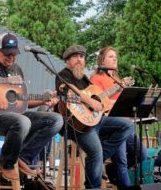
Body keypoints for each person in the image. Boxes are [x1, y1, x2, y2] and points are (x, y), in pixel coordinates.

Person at [0, 32, 64, 181]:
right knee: (22, 121)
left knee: (55, 120)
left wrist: (44, 100)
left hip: (14, 116)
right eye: (7, 53)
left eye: (14, 53)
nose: (11, 56)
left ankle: (22, 157)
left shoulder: (17, 70)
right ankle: (7, 164)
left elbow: (21, 102)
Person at [55, 45, 134, 189]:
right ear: (68, 60)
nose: (79, 60)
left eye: (82, 57)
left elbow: (98, 98)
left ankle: (101, 156)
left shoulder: (84, 78)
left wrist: (113, 91)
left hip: (93, 120)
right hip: (75, 124)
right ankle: (93, 187)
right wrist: (89, 100)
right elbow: (70, 92)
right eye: (75, 57)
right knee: (95, 151)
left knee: (127, 125)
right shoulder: (63, 75)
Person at [90, 46, 148, 188]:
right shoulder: (96, 79)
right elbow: (98, 102)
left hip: (126, 124)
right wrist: (119, 100)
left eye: (115, 56)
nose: (115, 59)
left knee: (142, 155)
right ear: (102, 60)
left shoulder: (116, 79)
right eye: (111, 56)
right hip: (112, 126)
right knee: (121, 161)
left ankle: (111, 170)